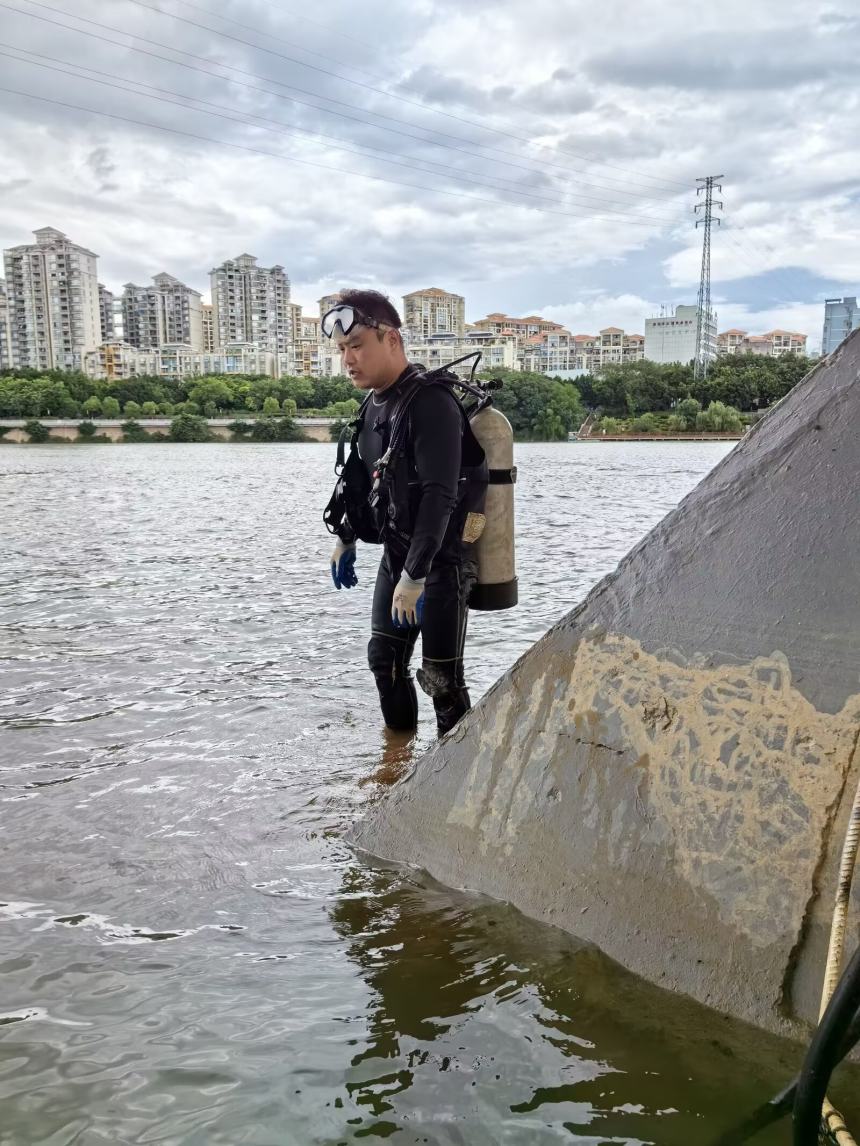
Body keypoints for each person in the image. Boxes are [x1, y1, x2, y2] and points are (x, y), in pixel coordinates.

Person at [322, 289, 488, 738]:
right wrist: (348, 535)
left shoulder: (431, 402)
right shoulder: (374, 402)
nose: (348, 359)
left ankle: (451, 779)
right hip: (397, 558)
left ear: (391, 339)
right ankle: (397, 775)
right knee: (384, 662)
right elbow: (365, 478)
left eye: (357, 345)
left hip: (438, 565)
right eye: (342, 350)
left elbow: (440, 495)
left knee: (441, 682)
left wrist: (415, 575)